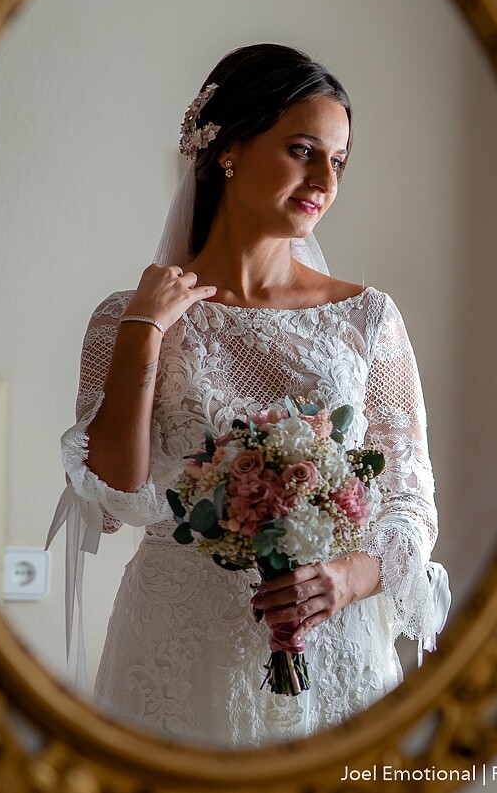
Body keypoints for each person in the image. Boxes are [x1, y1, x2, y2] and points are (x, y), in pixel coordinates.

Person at [49, 44, 445, 746]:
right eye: (302, 151)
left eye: (339, 161)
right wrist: (144, 331)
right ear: (228, 148)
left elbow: (410, 505)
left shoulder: (366, 319)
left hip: (333, 641)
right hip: (177, 644)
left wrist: (346, 580)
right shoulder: (125, 318)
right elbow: (112, 495)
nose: (325, 179)